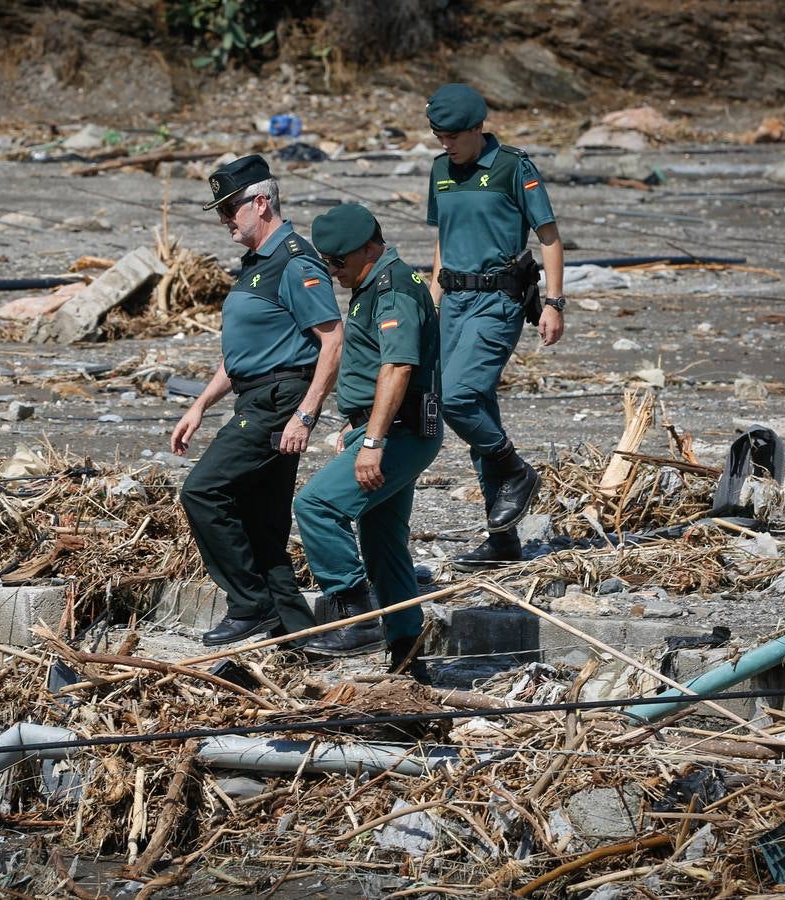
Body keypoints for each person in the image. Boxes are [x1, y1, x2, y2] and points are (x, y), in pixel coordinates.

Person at [171, 154, 343, 646]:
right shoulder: (257, 264)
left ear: (261, 202)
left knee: (203, 492)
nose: (225, 221)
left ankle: (249, 605)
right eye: (222, 211)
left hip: (277, 401)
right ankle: (295, 632)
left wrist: (305, 415)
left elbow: (332, 340)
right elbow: (242, 354)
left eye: (230, 209)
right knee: (263, 521)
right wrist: (199, 404)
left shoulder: (293, 260)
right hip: (255, 395)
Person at [294, 203, 442, 682]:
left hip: (396, 433)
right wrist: (356, 425)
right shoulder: (372, 284)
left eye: (338, 262)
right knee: (383, 545)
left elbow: (397, 367)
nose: (334, 272)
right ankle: (406, 653)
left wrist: (372, 440)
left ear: (367, 249)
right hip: (383, 428)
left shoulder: (392, 287)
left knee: (316, 506)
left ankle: (352, 612)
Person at [425, 83, 567, 571]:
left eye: (452, 136)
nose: (445, 144)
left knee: (458, 397)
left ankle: (516, 470)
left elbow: (548, 237)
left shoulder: (512, 167)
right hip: (454, 301)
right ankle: (502, 538)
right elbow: (443, 241)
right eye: (437, 135)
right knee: (477, 409)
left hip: (497, 300)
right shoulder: (440, 170)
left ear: (476, 128)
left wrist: (554, 302)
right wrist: (431, 305)